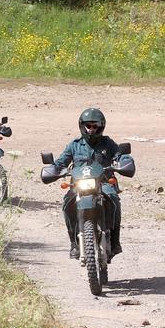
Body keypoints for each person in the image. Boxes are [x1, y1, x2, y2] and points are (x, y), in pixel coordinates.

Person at [54, 107, 130, 260]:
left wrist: (125, 161)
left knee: (114, 199)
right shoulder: (74, 145)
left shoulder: (108, 144)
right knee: (67, 203)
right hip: (79, 185)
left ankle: (115, 241)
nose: (91, 129)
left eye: (95, 126)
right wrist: (54, 169)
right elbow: (61, 162)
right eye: (88, 126)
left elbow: (120, 156)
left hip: (103, 183)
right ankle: (74, 243)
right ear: (82, 126)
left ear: (101, 126)